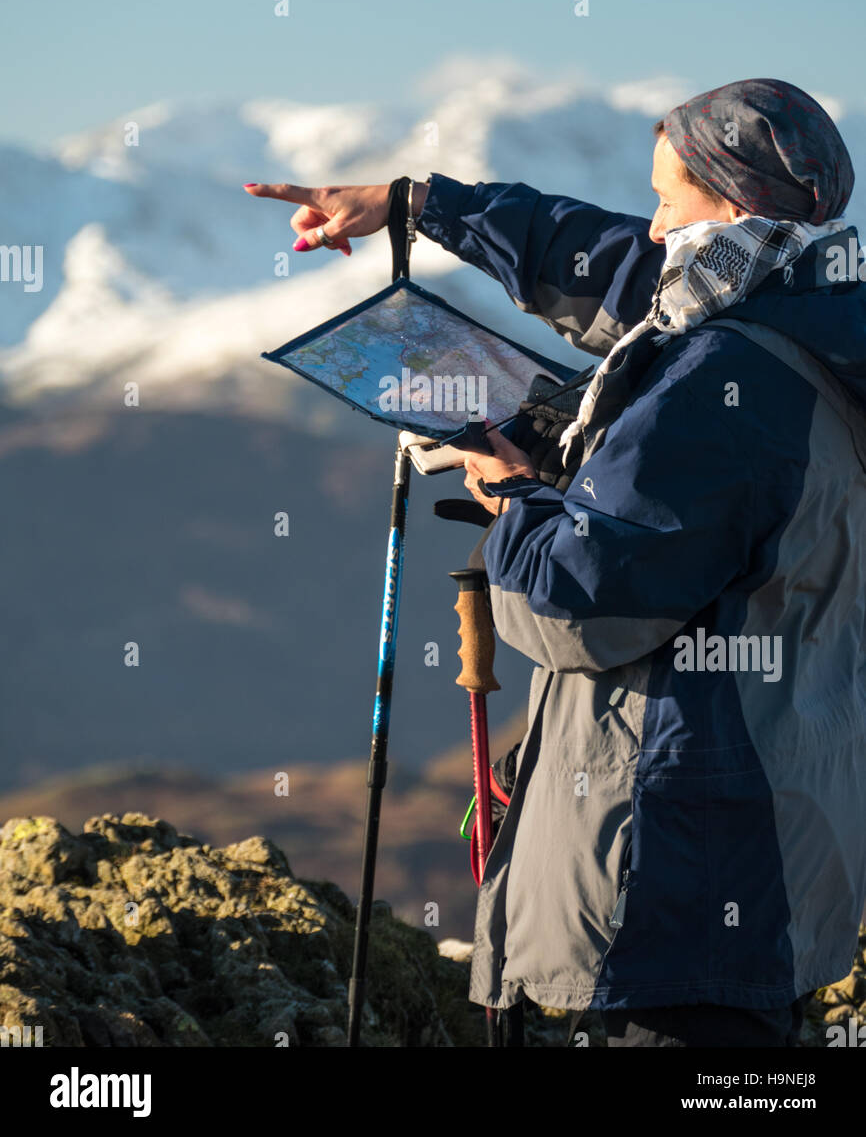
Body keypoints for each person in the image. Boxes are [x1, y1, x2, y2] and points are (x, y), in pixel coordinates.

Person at [245, 78, 866, 1047]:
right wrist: (418, 205)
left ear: (733, 210)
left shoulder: (717, 379)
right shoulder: (808, 313)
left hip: (665, 893)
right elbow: (612, 267)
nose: (654, 228)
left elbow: (573, 603)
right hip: (762, 861)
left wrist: (511, 490)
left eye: (668, 199)